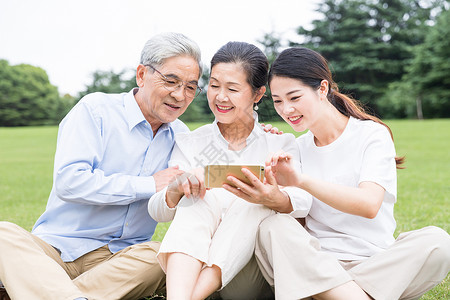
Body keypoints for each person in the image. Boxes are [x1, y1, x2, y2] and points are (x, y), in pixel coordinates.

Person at [226, 46, 450, 299]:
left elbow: (369, 204)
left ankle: (330, 293)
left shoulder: (371, 135)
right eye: (278, 101)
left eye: (294, 97)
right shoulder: (295, 148)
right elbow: (297, 225)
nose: (286, 109)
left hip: (373, 263)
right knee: (274, 226)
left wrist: (301, 181)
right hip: (318, 261)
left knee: (438, 242)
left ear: (322, 89)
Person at [0, 32, 203, 300]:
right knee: (3, 233)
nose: (180, 95)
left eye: (191, 86)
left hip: (119, 260)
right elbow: (70, 181)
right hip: (55, 250)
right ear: (142, 75)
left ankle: (40, 290)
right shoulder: (95, 110)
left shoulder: (181, 135)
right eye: (171, 81)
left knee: (161, 255)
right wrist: (149, 184)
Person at [148, 42, 311, 300]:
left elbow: (305, 202)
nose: (220, 97)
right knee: (197, 197)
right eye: (214, 86)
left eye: (232, 89)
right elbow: (157, 210)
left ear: (257, 94)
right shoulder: (190, 143)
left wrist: (272, 197)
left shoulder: (280, 144)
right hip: (197, 264)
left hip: (252, 275)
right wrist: (177, 187)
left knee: (253, 202)